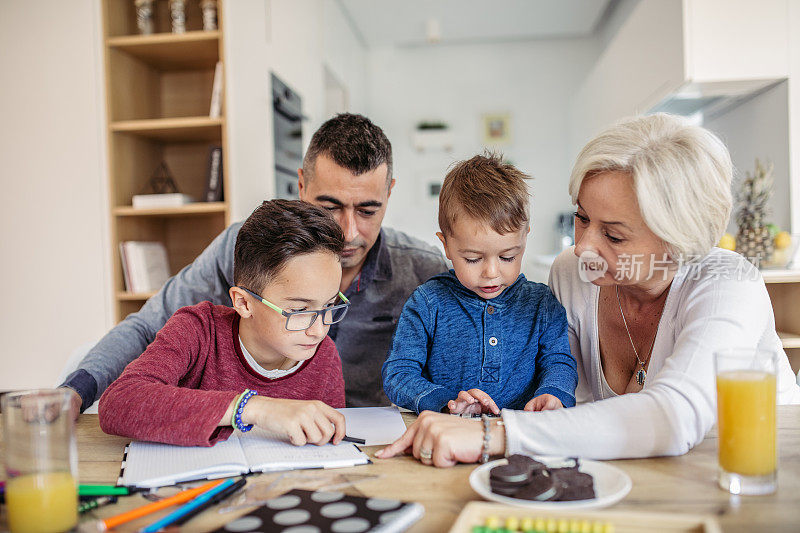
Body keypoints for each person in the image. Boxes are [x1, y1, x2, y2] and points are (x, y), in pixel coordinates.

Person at [376, 113, 800, 467]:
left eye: (613, 235)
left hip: (753, 477)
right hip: (636, 475)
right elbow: (567, 394)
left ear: (679, 239)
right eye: (581, 218)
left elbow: (674, 415)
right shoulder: (574, 272)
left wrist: (493, 433)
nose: (582, 247)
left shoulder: (727, 282)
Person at [61, 114, 447, 412]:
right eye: (329, 207)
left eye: (367, 210)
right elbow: (148, 328)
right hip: (249, 428)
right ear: (301, 185)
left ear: (389, 193)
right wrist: (74, 393)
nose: (347, 232)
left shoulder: (422, 270)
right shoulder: (248, 246)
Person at [99, 200, 349, 447]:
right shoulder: (196, 330)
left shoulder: (324, 356)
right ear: (244, 303)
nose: (319, 330)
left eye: (328, 306)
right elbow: (118, 403)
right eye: (299, 311)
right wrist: (253, 407)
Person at [381, 154, 577, 415]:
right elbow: (398, 373)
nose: (492, 273)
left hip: (523, 435)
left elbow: (559, 362)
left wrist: (552, 393)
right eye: (472, 259)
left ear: (524, 240)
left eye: (508, 256)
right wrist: (447, 402)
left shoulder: (542, 305)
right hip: (448, 432)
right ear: (446, 246)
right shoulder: (427, 303)